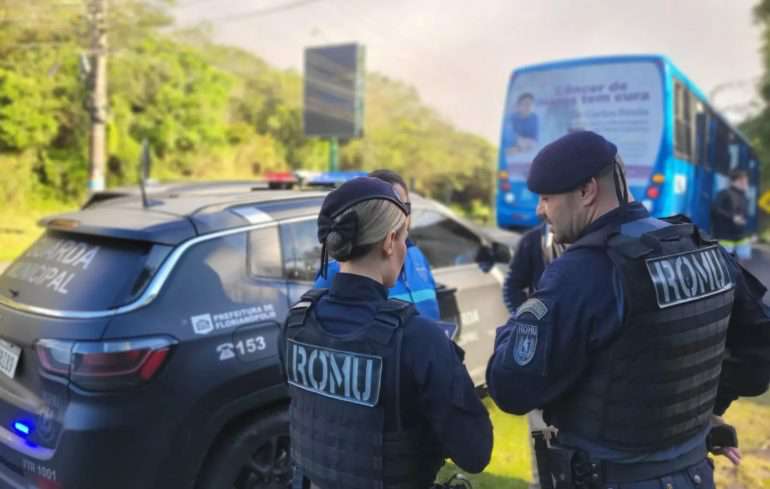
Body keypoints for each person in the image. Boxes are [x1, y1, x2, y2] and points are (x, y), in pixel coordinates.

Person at [487, 131, 770, 489]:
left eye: (546, 198)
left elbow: (511, 388)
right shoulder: (700, 246)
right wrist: (705, 411)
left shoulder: (582, 272)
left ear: (587, 191)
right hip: (694, 473)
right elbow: (759, 348)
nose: (540, 211)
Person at [281, 177, 493, 489]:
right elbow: (475, 452)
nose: (406, 250)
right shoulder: (418, 338)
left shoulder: (296, 324)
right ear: (389, 241)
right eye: (405, 238)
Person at [314, 169, 441, 320]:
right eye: (391, 207)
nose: (400, 215)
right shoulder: (339, 271)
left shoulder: (416, 255)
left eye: (404, 206)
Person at [502, 221, 565, 489]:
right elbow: (512, 287)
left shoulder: (591, 243)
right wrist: (526, 320)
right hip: (542, 357)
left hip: (575, 358)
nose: (543, 205)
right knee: (541, 440)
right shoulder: (531, 242)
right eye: (543, 198)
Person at [711, 169, 752, 262]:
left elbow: (744, 215)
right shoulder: (724, 194)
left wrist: (749, 233)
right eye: (745, 181)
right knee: (725, 263)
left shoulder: (744, 196)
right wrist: (732, 218)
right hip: (725, 236)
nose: (746, 184)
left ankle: (740, 276)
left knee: (744, 260)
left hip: (741, 235)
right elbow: (715, 210)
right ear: (738, 181)